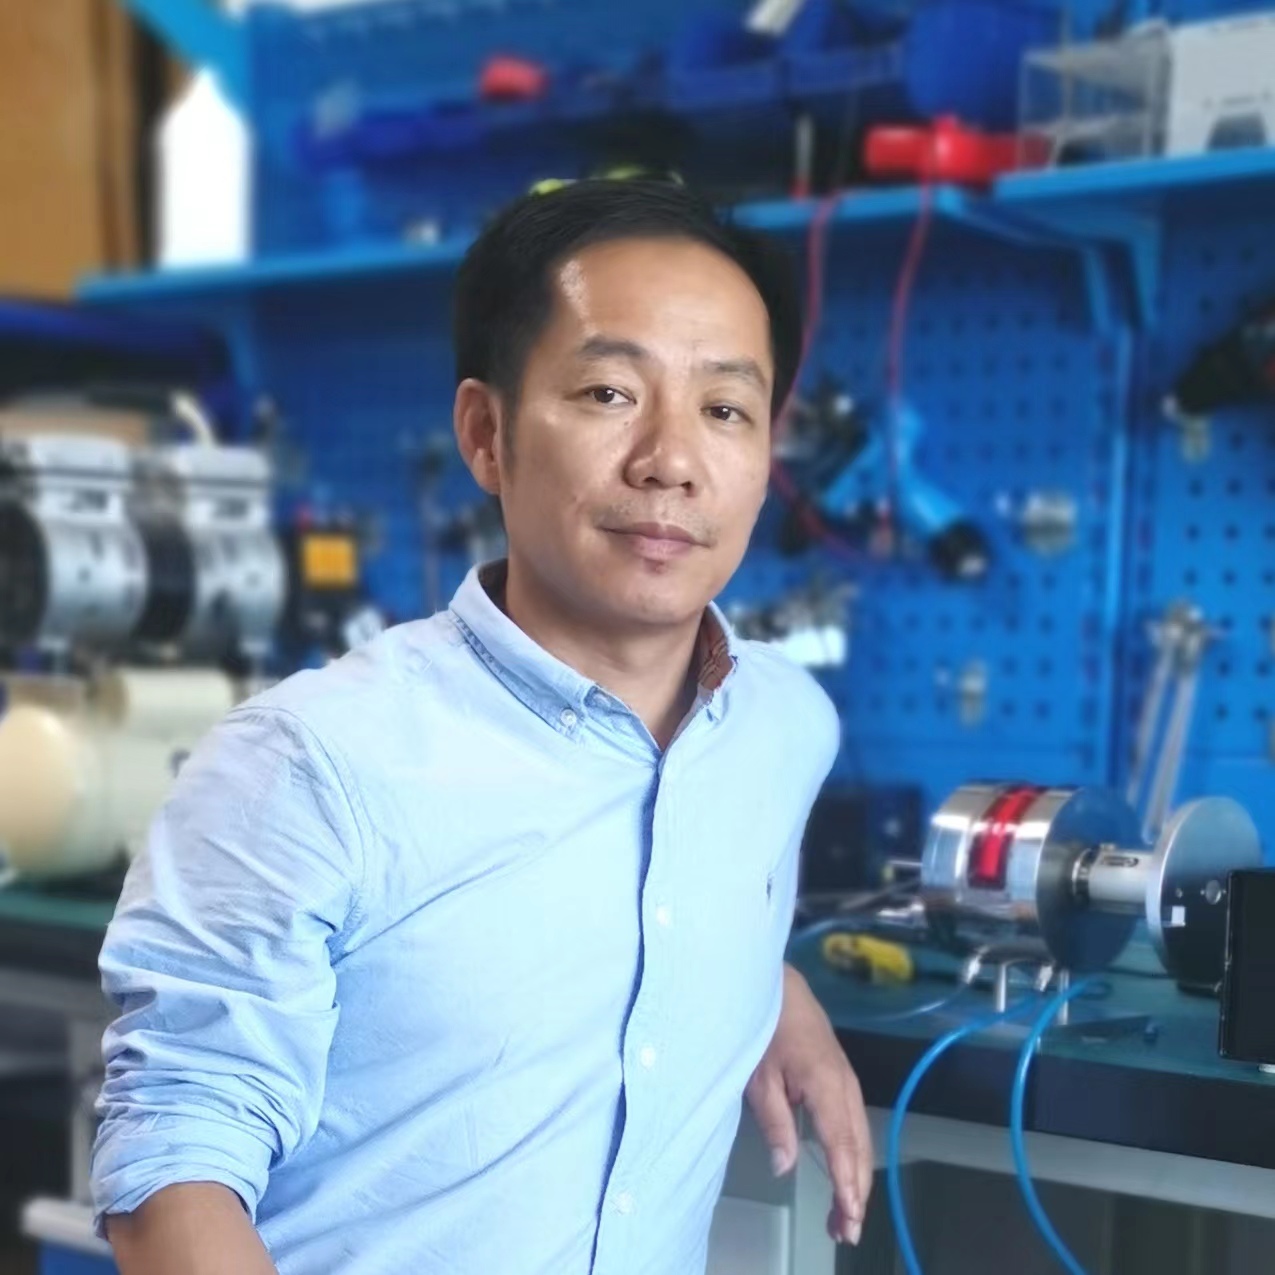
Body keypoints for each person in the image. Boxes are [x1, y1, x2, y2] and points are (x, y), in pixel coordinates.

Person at [93, 179, 872, 1275]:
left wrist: (768, 990)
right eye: (608, 392)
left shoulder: (782, 725)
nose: (670, 459)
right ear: (485, 434)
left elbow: (684, 877)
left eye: (725, 409)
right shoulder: (307, 764)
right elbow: (173, 1163)